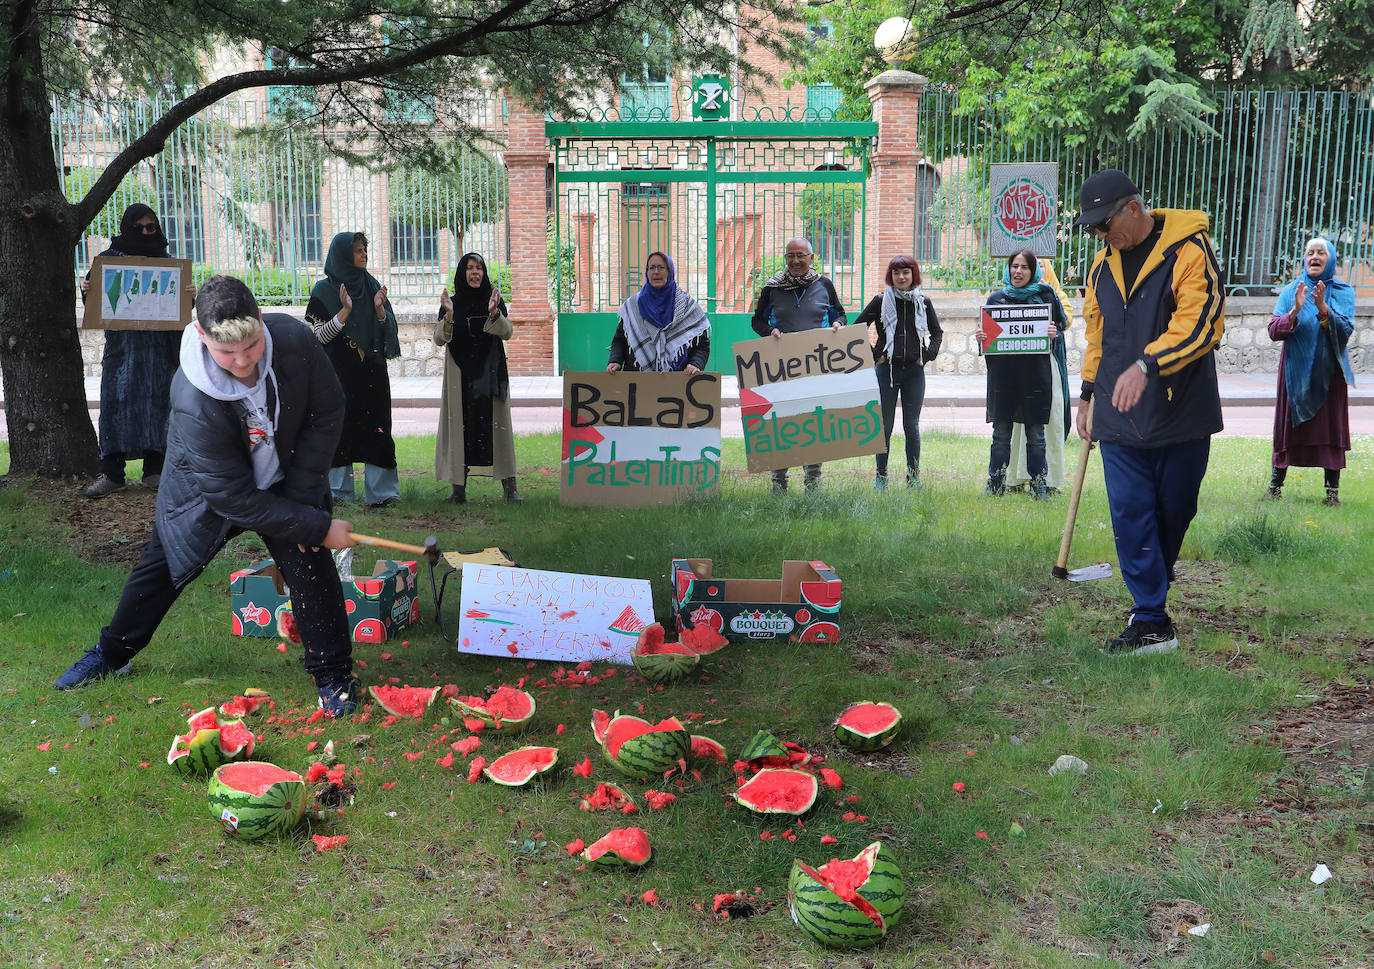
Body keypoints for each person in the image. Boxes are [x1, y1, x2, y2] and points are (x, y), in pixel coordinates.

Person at [55, 275, 363, 716]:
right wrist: (317, 523)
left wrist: (301, 502)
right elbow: (232, 498)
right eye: (226, 352)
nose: (241, 362)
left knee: (309, 560)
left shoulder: (295, 339)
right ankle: (112, 652)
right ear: (201, 335)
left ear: (261, 320)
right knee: (162, 566)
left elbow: (327, 410)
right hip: (209, 493)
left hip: (284, 478)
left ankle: (333, 676)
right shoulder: (192, 396)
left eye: (251, 347)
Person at [1074, 169, 1225, 657]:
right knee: (1130, 513)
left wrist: (1148, 363)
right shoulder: (1100, 267)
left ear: (1133, 209)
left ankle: (1153, 592)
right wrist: (1087, 392)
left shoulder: (1189, 251)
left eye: (1104, 224)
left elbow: (1201, 323)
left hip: (1181, 413)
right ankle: (1151, 618)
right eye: (1094, 228)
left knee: (1173, 512)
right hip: (1118, 417)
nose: (1101, 235)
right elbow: (1098, 337)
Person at [81, 204, 189, 498]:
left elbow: (178, 310)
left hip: (159, 354)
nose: (144, 232)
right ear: (126, 228)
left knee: (158, 408)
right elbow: (96, 302)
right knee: (116, 407)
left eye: (150, 227)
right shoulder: (108, 261)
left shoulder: (167, 263)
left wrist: (187, 297)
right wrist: (88, 288)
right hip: (123, 352)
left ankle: (154, 471)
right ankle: (112, 474)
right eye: (137, 227)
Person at [305, 231, 401, 508]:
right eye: (358, 250)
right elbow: (321, 335)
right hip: (337, 374)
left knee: (378, 429)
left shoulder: (372, 286)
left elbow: (387, 332)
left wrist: (380, 311)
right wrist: (345, 311)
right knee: (338, 430)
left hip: (371, 373)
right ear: (343, 254)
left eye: (364, 250)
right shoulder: (323, 291)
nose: (364, 255)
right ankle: (338, 493)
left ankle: (383, 494)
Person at [749, 237, 848, 493]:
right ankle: (778, 484)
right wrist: (769, 331)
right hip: (781, 370)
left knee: (813, 425)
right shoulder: (772, 288)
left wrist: (839, 324)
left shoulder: (825, 285)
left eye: (801, 255)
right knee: (780, 424)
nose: (795, 260)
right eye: (790, 255)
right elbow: (757, 321)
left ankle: (812, 484)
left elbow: (840, 313)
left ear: (811, 258)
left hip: (816, 370)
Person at [1264, 237, 1356, 506]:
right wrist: (1295, 310)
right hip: (1295, 373)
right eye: (1309, 253)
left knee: (1330, 429)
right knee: (1287, 430)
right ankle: (1274, 488)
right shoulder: (1292, 290)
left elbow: (1346, 331)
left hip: (1329, 376)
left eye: (1321, 253)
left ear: (1332, 259)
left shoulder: (1343, 291)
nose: (1314, 257)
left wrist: (1323, 308)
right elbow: (1273, 330)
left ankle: (1332, 494)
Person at [435, 252, 521, 503]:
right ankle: (457, 490)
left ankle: (510, 488)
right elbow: (439, 339)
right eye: (470, 268)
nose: (475, 273)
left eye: (479, 268)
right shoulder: (451, 303)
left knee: (498, 430)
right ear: (462, 273)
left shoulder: (494, 299)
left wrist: (495, 313)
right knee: (461, 429)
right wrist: (449, 317)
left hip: (490, 373)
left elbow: (507, 333)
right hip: (460, 376)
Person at [982, 250, 1069, 500]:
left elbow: (1060, 335)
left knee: (1036, 436)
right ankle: (995, 484)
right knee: (1000, 436)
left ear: (1034, 272)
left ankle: (1039, 486)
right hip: (1004, 379)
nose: (1018, 272)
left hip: (1035, 379)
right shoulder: (996, 300)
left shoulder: (1045, 298)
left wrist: (1054, 335)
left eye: (1024, 268)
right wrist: (982, 338)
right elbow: (988, 340)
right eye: (1014, 266)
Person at [852, 254, 942, 489]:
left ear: (913, 275)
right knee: (884, 426)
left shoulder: (923, 301)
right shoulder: (881, 301)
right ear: (890, 276)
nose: (901, 277)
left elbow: (937, 332)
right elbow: (857, 328)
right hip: (886, 371)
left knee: (911, 427)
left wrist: (928, 355)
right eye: (896, 273)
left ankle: (913, 478)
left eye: (905, 272)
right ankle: (881, 477)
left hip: (914, 372)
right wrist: (874, 354)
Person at [1007, 260, 1074, 493]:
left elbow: (1065, 321)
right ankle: (1014, 477)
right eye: (1017, 266)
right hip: (1017, 370)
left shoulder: (1054, 295)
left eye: (1040, 266)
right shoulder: (1005, 296)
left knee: (1050, 419)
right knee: (1015, 423)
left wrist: (1050, 297)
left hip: (1046, 367)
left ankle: (1051, 479)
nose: (1023, 271)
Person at [607, 252, 711, 374]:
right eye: (651, 268)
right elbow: (620, 341)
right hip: (638, 382)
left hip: (678, 383)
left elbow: (702, 345)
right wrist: (615, 360)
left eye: (661, 267)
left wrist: (695, 363)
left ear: (670, 271)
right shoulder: (633, 306)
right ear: (647, 272)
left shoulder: (687, 306)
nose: (656, 272)